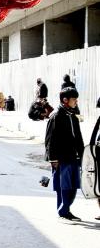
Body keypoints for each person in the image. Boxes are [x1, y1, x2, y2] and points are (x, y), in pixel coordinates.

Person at [45, 87, 84, 221]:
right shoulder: (56, 116)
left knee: (73, 186)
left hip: (74, 157)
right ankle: (63, 211)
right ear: (65, 100)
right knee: (63, 186)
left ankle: (65, 208)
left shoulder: (73, 116)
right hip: (61, 158)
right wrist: (53, 159)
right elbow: (50, 139)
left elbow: (78, 138)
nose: (76, 102)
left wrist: (83, 155)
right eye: (74, 99)